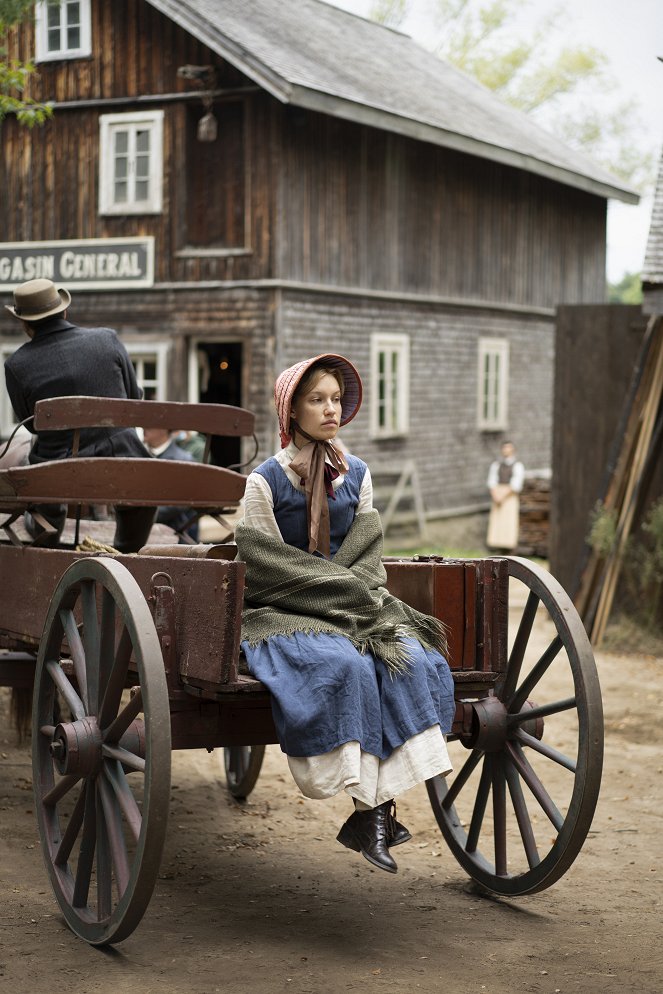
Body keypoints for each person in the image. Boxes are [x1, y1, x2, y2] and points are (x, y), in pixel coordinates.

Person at [235, 354, 456, 875]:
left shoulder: (356, 474)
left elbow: (366, 554)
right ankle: (372, 812)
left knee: (408, 658)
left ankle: (372, 815)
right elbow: (267, 568)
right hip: (283, 612)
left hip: (356, 605)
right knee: (346, 667)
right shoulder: (263, 483)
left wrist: (342, 590)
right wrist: (332, 589)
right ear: (292, 410)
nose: (330, 409)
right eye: (317, 400)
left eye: (335, 399)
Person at [3, 277, 156, 551]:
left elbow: (33, 426)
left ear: (25, 324)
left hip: (57, 467)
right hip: (123, 457)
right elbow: (135, 401)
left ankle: (46, 530)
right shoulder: (107, 339)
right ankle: (125, 550)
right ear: (64, 311)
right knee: (140, 493)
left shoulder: (16, 364)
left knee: (38, 468)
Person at [143, 425, 199, 541]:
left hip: (175, 537)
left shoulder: (184, 460)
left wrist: (142, 516)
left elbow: (181, 503)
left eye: (150, 424)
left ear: (164, 428)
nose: (144, 426)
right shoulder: (138, 455)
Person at [486, 440, 525, 553]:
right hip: (497, 494)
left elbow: (516, 484)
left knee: (509, 521)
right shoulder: (497, 465)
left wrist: (503, 496)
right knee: (498, 521)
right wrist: (496, 495)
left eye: (508, 448)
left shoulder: (517, 465)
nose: (506, 450)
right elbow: (491, 481)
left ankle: (509, 547)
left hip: (509, 496)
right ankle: (497, 546)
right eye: (504, 448)